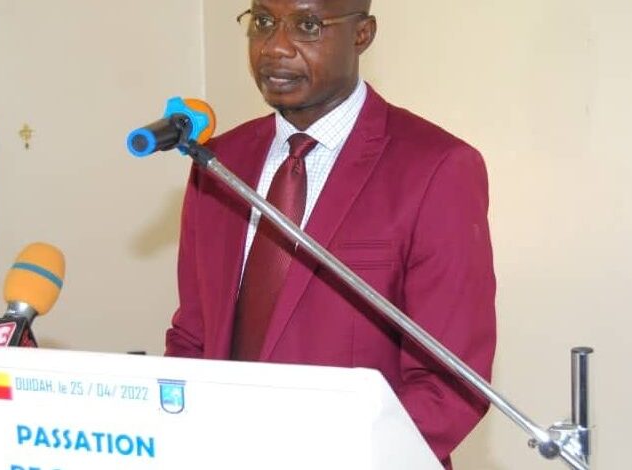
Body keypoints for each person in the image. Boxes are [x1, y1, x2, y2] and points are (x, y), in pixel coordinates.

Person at [165, 0, 496, 467]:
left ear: (362, 35)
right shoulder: (218, 161)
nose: (275, 47)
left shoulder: (436, 167)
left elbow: (449, 384)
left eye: (307, 25)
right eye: (263, 22)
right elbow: (193, 338)